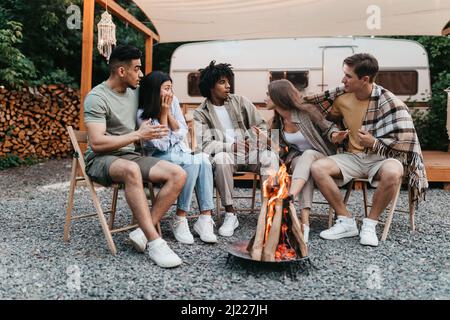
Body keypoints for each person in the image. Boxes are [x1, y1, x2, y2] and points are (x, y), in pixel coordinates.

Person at [307, 53, 428, 247]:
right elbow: (326, 120)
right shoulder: (340, 98)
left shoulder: (390, 102)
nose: (342, 80)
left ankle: (370, 224)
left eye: (348, 76)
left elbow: (405, 140)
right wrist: (335, 133)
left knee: (394, 171)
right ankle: (346, 221)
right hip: (352, 157)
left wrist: (374, 143)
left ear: (364, 79)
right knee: (318, 167)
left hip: (380, 157)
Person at [83, 45, 186, 268]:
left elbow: (160, 95)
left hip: (129, 155)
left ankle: (141, 231)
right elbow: (98, 143)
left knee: (178, 173)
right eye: (137, 69)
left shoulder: (135, 92)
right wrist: (138, 134)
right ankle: (155, 242)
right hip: (101, 159)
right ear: (122, 71)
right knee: (132, 170)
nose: (141, 75)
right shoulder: (96, 97)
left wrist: (168, 102)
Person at [194, 61, 279, 237]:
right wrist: (230, 146)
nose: (228, 86)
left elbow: (262, 126)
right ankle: (231, 213)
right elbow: (204, 145)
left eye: (228, 81)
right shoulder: (200, 113)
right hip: (228, 155)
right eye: (222, 82)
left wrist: (254, 140)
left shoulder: (240, 102)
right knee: (220, 159)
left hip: (251, 152)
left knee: (270, 157)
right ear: (211, 86)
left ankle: (269, 212)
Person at [137, 71, 217, 244]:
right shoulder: (143, 112)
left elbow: (183, 130)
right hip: (157, 158)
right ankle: (180, 218)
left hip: (179, 151)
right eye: (166, 88)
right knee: (192, 163)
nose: (170, 93)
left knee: (203, 159)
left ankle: (205, 218)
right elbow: (163, 144)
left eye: (171, 88)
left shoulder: (172, 101)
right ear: (154, 91)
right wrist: (163, 115)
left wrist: (169, 114)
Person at [266, 79, 340, 242]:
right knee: (302, 163)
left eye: (268, 95)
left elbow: (329, 127)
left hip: (322, 158)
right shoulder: (276, 122)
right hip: (299, 162)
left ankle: (290, 196)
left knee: (307, 155)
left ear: (279, 97)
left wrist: (336, 136)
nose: (265, 98)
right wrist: (267, 140)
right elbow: (277, 151)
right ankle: (304, 224)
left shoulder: (306, 113)